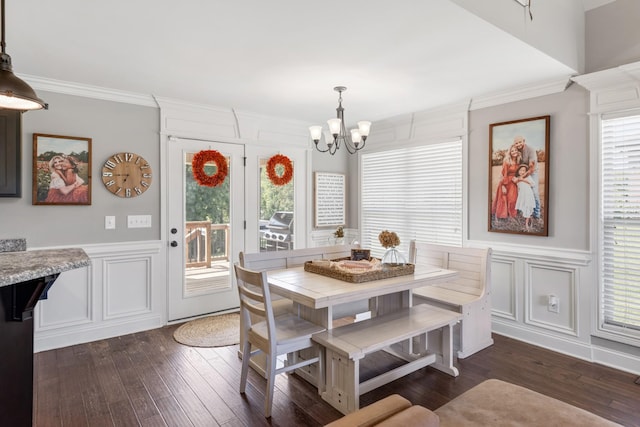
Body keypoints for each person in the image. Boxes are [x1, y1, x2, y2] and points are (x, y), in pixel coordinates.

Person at [491, 144, 521, 220]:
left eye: (515, 150)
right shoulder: (506, 161)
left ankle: (511, 215)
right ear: (510, 152)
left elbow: (518, 172)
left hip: (513, 182)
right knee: (503, 199)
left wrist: (518, 179)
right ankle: (501, 216)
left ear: (518, 151)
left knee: (512, 199)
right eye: (512, 151)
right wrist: (503, 186)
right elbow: (504, 174)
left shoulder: (518, 160)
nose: (514, 152)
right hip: (505, 182)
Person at [513, 135, 540, 218]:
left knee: (534, 192)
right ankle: (523, 211)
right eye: (516, 143)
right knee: (522, 192)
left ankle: (537, 214)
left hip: (532, 172)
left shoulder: (530, 150)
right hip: (521, 172)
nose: (518, 144)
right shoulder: (516, 150)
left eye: (520, 142)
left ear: (524, 141)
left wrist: (521, 178)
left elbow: (531, 168)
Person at [514, 164, 535, 231]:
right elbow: (517, 186)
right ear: (518, 171)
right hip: (522, 195)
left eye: (524, 170)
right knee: (524, 209)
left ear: (526, 171)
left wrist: (523, 180)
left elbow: (533, 184)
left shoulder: (528, 177)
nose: (522, 172)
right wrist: (519, 179)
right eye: (521, 170)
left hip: (528, 194)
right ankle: (529, 220)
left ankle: (527, 226)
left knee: (528, 208)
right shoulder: (517, 178)